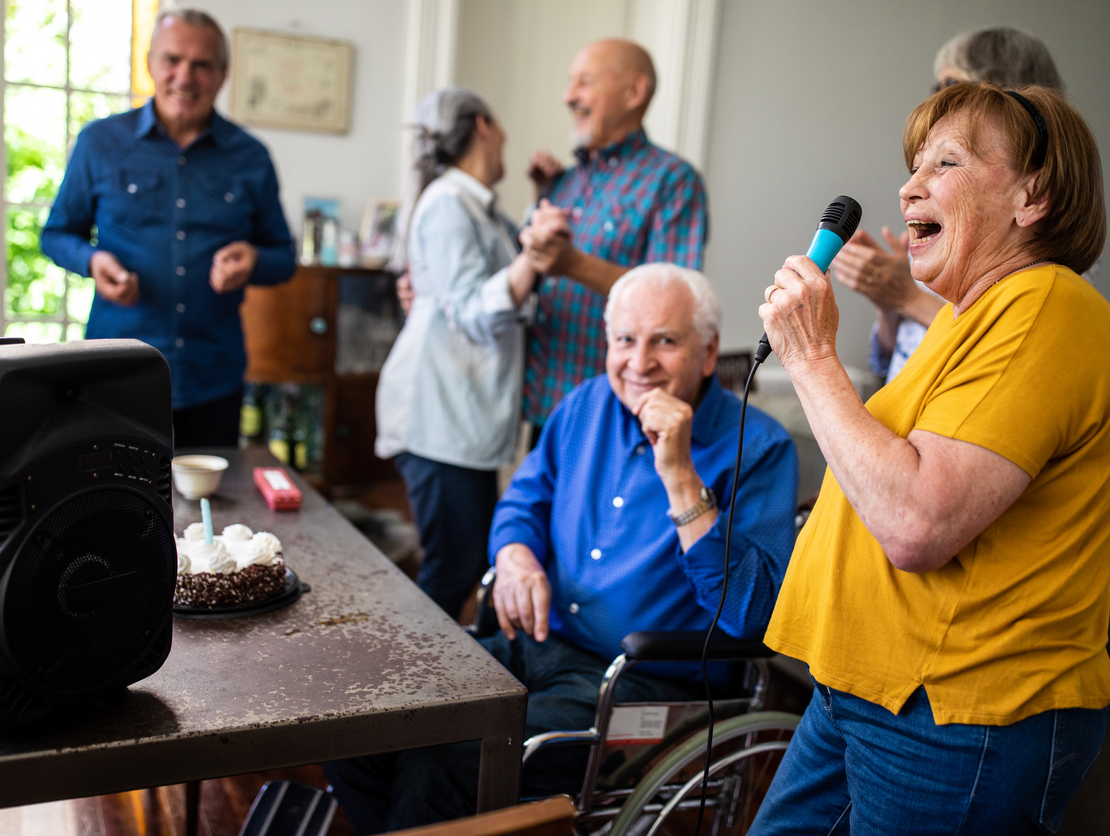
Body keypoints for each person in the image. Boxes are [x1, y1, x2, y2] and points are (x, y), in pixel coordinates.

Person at [749, 83, 1110, 834]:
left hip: (957, 720)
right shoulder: (972, 318)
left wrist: (808, 358)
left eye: (947, 161)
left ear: (1033, 196)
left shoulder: (1047, 309)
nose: (908, 186)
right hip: (871, 693)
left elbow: (916, 522)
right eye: (913, 165)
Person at [324, 264, 797, 832]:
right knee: (361, 725)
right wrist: (515, 555)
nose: (639, 362)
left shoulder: (761, 446)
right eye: (624, 340)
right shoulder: (586, 405)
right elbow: (524, 502)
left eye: (665, 341)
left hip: (639, 686)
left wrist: (680, 476)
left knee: (445, 763)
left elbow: (752, 614)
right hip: (533, 642)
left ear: (708, 350)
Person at [41, 9, 295, 447]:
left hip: (213, 379)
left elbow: (283, 257)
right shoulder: (100, 142)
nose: (185, 76)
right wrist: (92, 259)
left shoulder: (251, 156)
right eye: (172, 60)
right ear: (150, 63)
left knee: (208, 513)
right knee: (113, 508)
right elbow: (57, 234)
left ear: (223, 74)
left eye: (202, 65)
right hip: (115, 375)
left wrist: (254, 259)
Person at [374, 87, 537, 619]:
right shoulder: (448, 203)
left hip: (459, 418)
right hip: (437, 417)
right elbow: (472, 309)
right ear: (484, 125)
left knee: (464, 563)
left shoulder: (476, 206)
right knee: (453, 568)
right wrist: (533, 259)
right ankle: (410, 688)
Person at [830, 27, 1063, 383]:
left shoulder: (1051, 252)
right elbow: (888, 362)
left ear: (1000, 89)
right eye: (916, 167)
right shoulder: (938, 227)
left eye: (949, 86)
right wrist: (888, 303)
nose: (907, 189)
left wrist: (907, 297)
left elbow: (1004, 349)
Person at [517, 39, 709, 431]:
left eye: (584, 82)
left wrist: (572, 264)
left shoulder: (674, 180)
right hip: (545, 407)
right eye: (570, 83)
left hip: (617, 415)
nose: (568, 97)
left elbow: (671, 299)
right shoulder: (562, 182)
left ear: (634, 92)